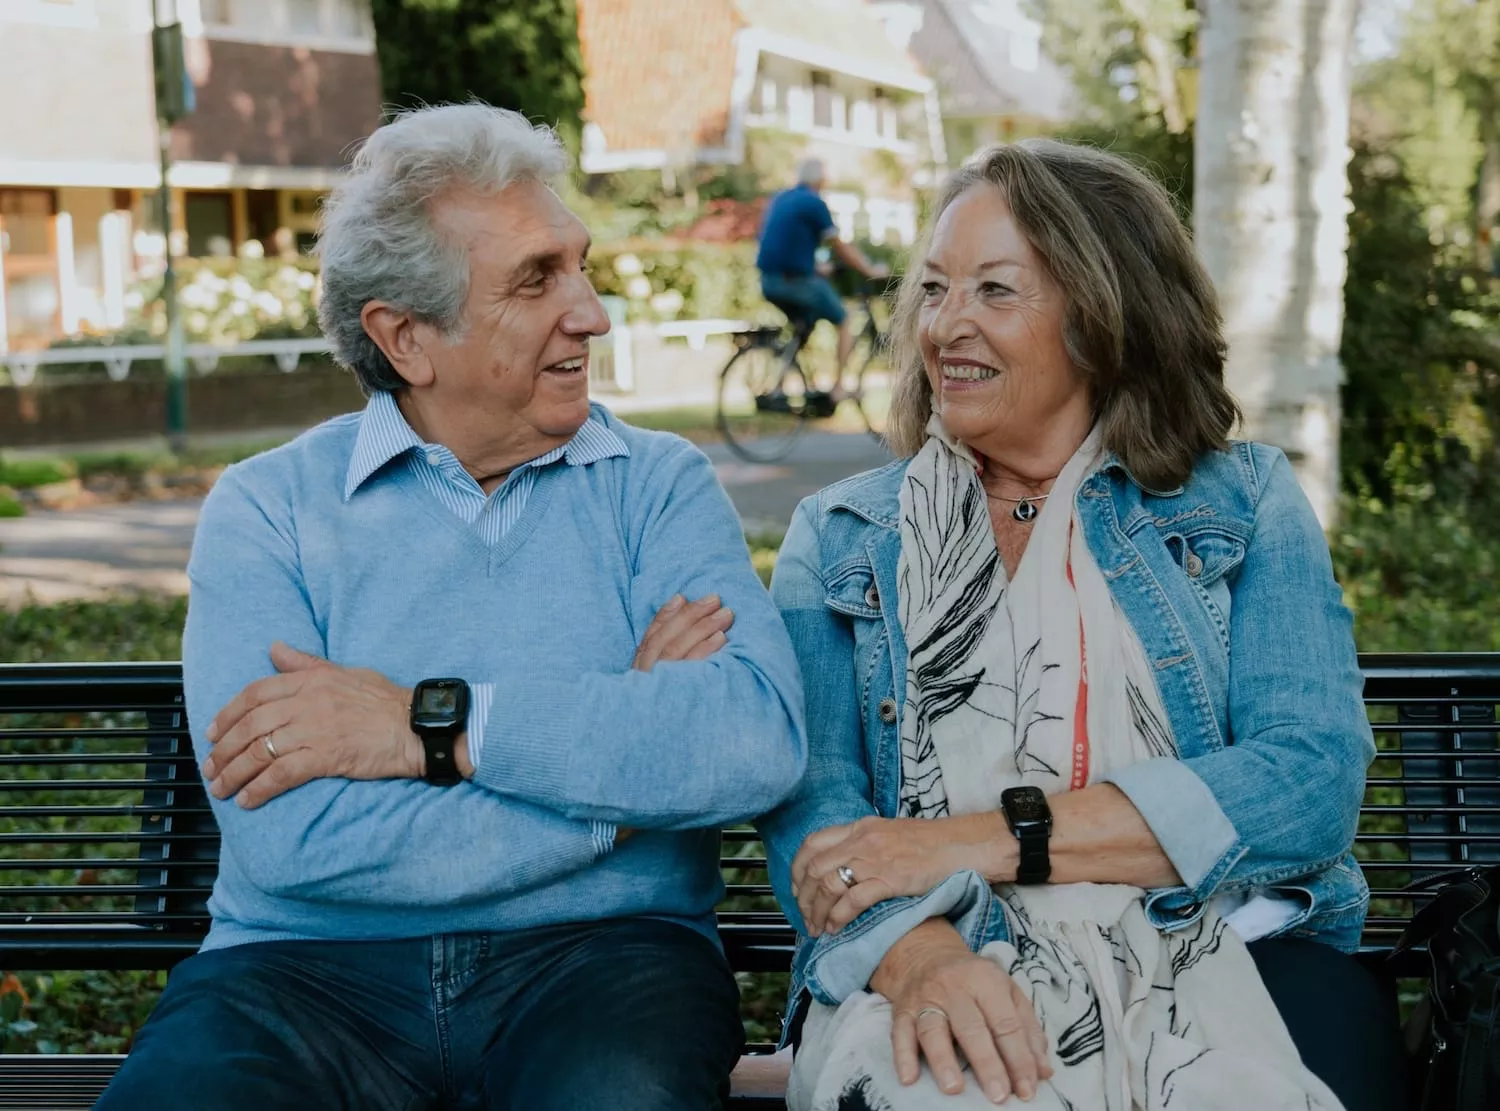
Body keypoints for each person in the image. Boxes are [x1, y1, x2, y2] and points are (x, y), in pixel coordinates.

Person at [95, 103, 808, 1111]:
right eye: (536, 279)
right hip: (297, 976)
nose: (593, 312)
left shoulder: (660, 485)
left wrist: (426, 725)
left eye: (580, 263)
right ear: (407, 337)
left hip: (603, 964)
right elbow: (290, 837)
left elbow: (749, 741)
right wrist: (615, 792)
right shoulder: (269, 510)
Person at [758, 140, 1405, 1111]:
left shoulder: (1242, 503)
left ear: (1105, 313)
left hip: (1226, 945)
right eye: (933, 289)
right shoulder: (847, 532)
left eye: (995, 290)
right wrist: (922, 954)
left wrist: (969, 840)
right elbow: (819, 818)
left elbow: (1307, 780)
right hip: (952, 951)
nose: (947, 324)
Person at [757, 157, 888, 375]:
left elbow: (782, 245)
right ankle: (838, 387)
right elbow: (841, 247)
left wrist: (814, 267)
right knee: (845, 319)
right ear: (820, 179)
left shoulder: (781, 198)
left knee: (806, 323)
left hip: (769, 281)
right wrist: (870, 270)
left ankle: (781, 382)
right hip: (792, 282)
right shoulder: (814, 203)